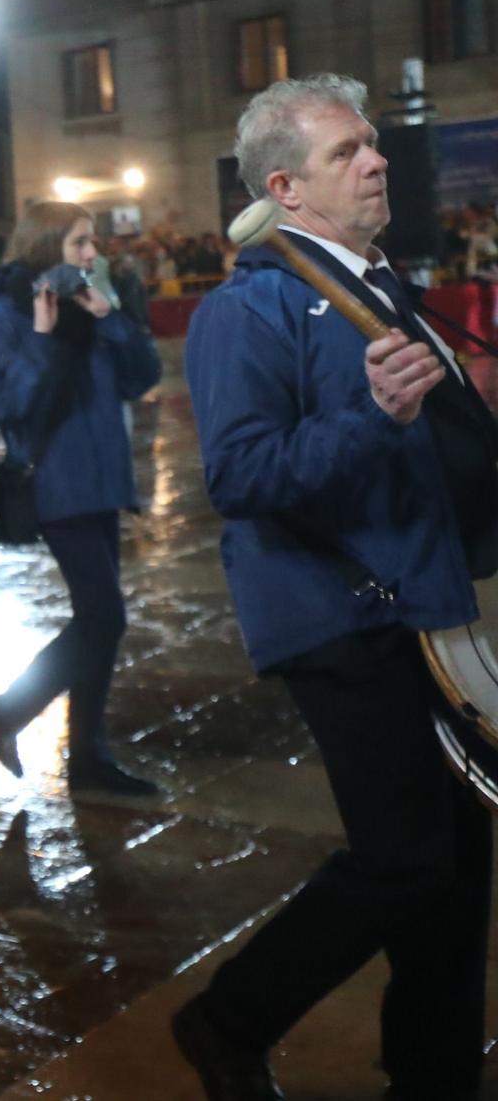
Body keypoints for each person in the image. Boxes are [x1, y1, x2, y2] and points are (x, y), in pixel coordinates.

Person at [176, 75, 498, 1101]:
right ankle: (226, 1018)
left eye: (372, 144)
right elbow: (238, 475)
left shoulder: (375, 280)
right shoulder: (248, 305)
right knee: (404, 859)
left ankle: (431, 1076)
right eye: (345, 152)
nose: (374, 161)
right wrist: (369, 416)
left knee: (458, 858)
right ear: (285, 185)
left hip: (421, 604)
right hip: (341, 616)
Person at [0, 202, 162, 796]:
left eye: (92, 242)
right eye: (80, 242)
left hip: (103, 479)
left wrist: (110, 320)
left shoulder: (93, 301)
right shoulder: (6, 312)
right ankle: (9, 711)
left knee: (97, 622)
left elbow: (141, 377)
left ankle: (87, 757)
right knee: (105, 617)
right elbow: (10, 408)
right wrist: (44, 338)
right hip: (56, 483)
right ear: (48, 245)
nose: (91, 253)